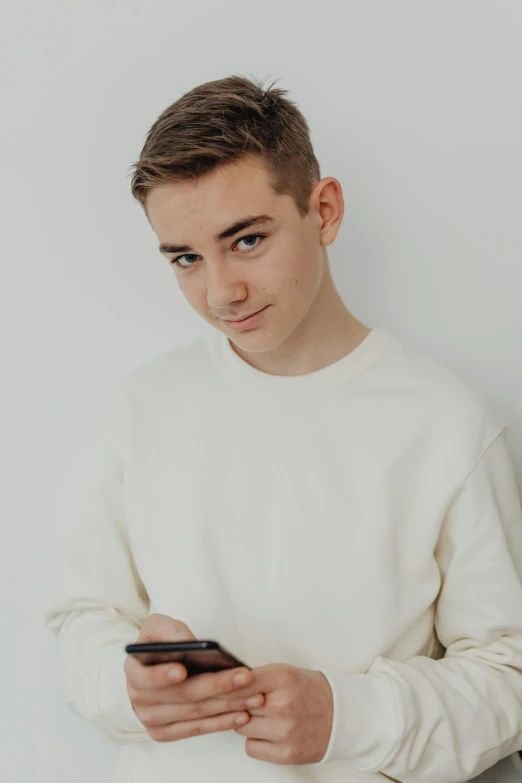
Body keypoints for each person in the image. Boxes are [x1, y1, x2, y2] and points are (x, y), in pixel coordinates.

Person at [44, 74, 522, 783]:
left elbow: (507, 677)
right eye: (185, 258)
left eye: (246, 240)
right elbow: (84, 617)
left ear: (323, 210)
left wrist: (348, 715)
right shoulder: (147, 404)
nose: (219, 292)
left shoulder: (447, 421)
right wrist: (127, 683)